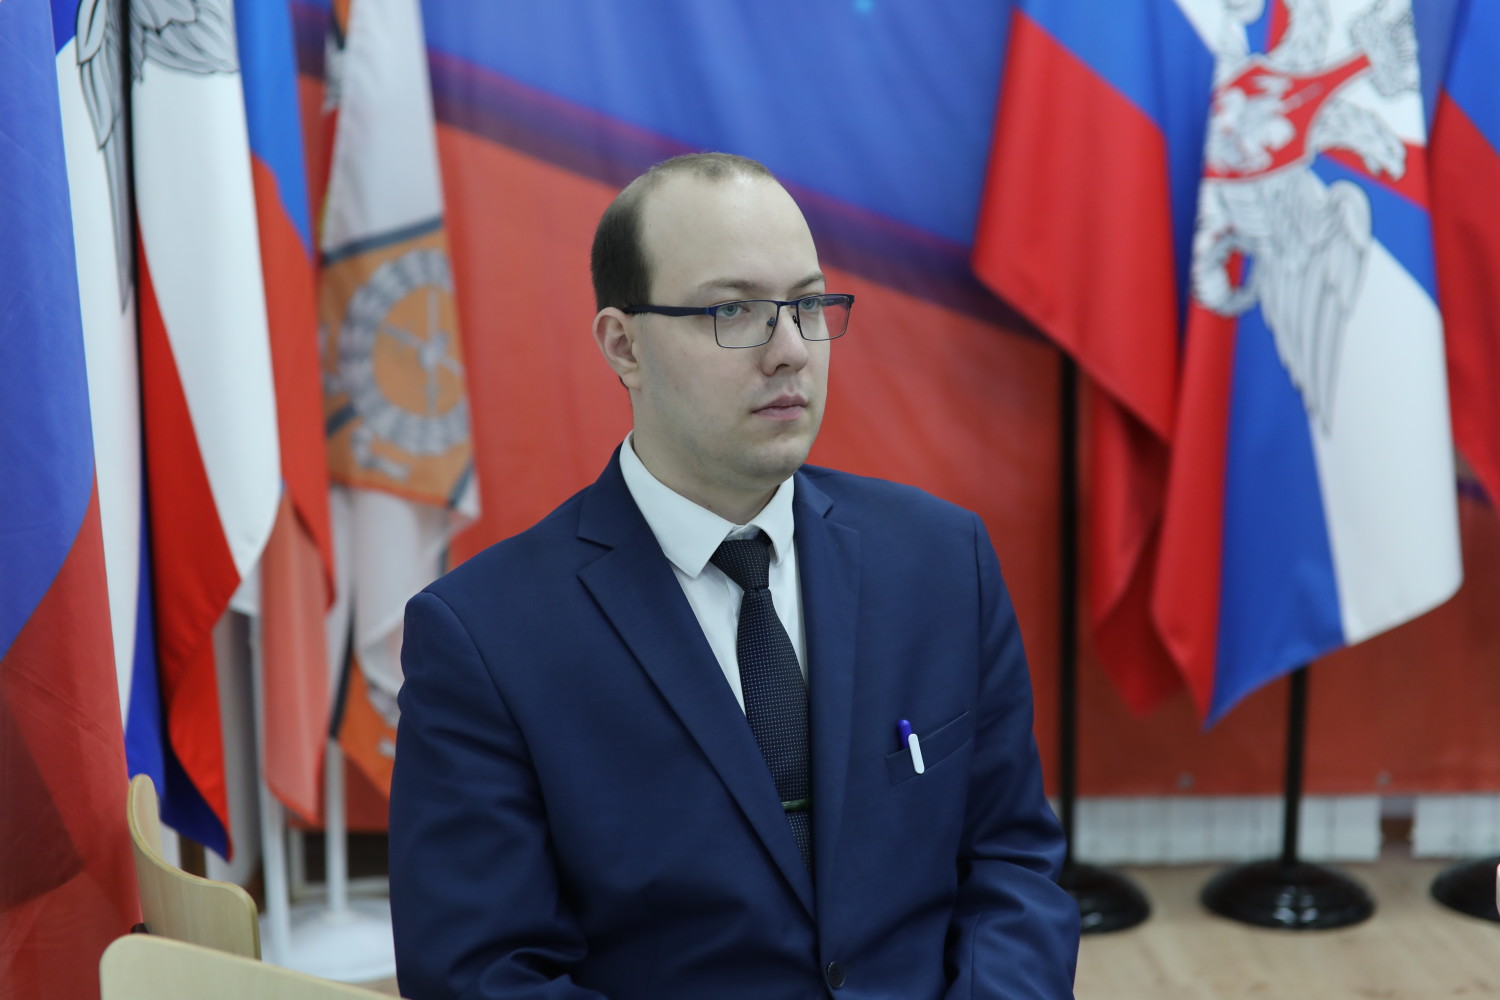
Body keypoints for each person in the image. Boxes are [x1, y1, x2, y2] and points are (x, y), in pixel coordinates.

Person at [389, 152, 1080, 999]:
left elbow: (1012, 865)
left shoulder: (940, 561)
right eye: (735, 311)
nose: (790, 351)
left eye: (808, 305)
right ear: (624, 345)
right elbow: (480, 974)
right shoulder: (487, 637)